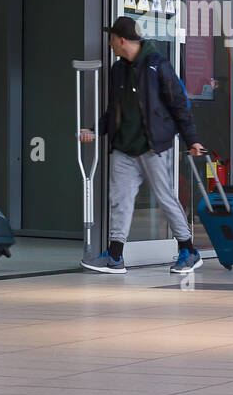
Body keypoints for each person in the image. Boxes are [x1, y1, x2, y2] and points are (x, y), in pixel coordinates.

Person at [79, 17, 205, 275]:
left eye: (112, 38)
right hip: (124, 147)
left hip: (153, 146)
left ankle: (189, 251)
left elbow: (179, 104)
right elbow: (113, 110)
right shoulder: (117, 70)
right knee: (120, 200)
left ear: (122, 40)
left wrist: (191, 139)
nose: (110, 43)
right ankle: (115, 257)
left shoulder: (157, 65)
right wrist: (95, 130)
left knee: (165, 198)